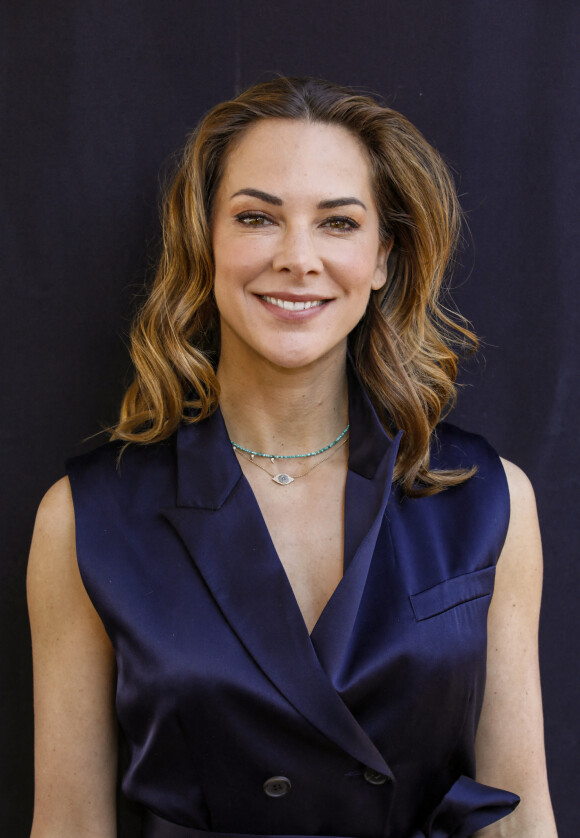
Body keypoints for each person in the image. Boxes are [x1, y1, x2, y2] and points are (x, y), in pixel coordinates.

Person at [27, 77, 558, 838]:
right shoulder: (85, 519)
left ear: (382, 258)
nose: (297, 258)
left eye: (338, 223)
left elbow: (518, 813)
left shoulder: (489, 500)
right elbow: (71, 824)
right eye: (256, 218)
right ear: (205, 244)